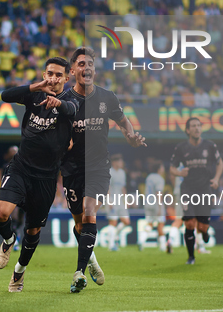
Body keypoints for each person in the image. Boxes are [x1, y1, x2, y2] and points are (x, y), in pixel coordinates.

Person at [60, 47, 146, 293]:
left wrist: (130, 136)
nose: (86, 68)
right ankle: (92, 261)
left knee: (89, 213)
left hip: (98, 167)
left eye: (90, 64)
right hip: (71, 168)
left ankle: (78, 272)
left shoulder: (107, 97)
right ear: (74, 69)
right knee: (79, 223)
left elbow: (122, 120)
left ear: (94, 70)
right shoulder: (65, 101)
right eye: (81, 64)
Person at [0, 57, 78, 293]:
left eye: (58, 75)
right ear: (44, 74)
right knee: (1, 213)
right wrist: (36, 87)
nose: (53, 78)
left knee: (32, 230)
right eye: (49, 73)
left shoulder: (72, 99)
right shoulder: (34, 94)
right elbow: (5, 96)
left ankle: (18, 274)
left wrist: (58, 105)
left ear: (66, 78)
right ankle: (9, 240)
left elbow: (72, 110)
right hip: (21, 167)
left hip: (47, 176)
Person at [170, 117, 223, 265]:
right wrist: (180, 173)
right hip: (188, 189)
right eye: (193, 126)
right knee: (189, 224)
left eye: (199, 125)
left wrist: (217, 178)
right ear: (188, 130)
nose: (197, 128)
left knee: (202, 227)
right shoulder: (181, 148)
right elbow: (172, 168)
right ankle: (191, 257)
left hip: (205, 189)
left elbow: (220, 163)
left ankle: (205, 232)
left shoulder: (210, 146)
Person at [139, 160, 167, 252]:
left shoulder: (149, 177)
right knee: (160, 223)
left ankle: (141, 240)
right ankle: (163, 246)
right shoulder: (160, 179)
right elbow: (158, 192)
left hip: (148, 203)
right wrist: (159, 206)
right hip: (156, 203)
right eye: (162, 167)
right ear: (159, 168)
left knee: (150, 223)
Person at [105, 154, 130, 251]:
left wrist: (126, 199)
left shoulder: (122, 173)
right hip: (112, 199)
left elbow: (123, 187)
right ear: (115, 162)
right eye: (120, 161)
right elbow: (107, 187)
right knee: (113, 222)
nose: (121, 163)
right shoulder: (109, 172)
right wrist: (109, 200)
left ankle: (114, 237)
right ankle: (111, 245)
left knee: (126, 221)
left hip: (120, 201)